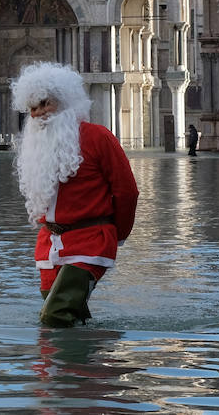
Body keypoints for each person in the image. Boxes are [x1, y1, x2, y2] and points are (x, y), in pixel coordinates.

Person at [12, 62, 138, 327]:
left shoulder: (98, 137)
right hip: (50, 244)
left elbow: (126, 191)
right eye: (32, 108)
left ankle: (67, 367)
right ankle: (88, 361)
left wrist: (118, 234)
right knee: (67, 316)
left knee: (55, 315)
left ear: (64, 100)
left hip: (91, 240)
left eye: (45, 104)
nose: (38, 114)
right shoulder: (34, 147)